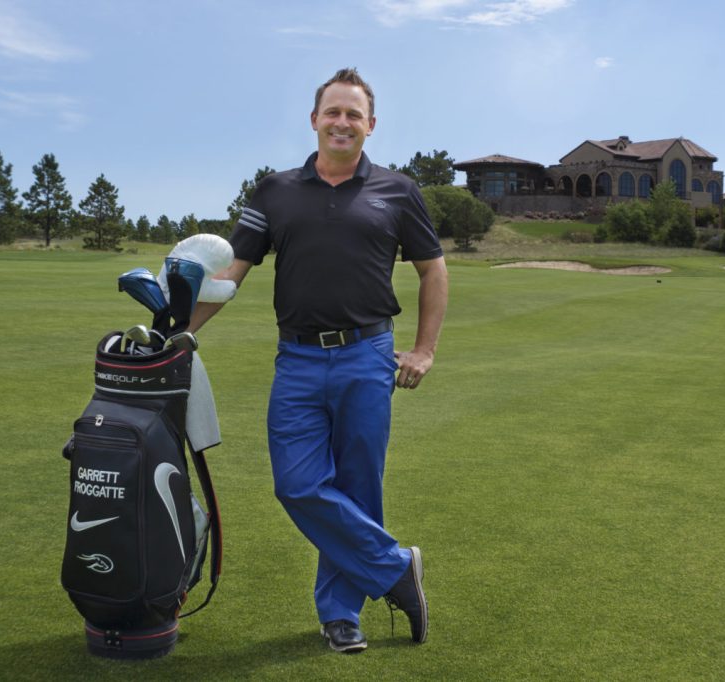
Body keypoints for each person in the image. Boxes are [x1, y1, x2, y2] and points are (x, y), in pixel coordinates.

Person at [189, 67, 448, 653]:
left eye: (354, 114)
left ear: (371, 125)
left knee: (359, 486)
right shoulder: (274, 192)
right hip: (299, 360)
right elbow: (232, 273)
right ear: (314, 120)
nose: (342, 122)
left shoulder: (399, 191)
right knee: (298, 485)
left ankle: (340, 615)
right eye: (333, 111)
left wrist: (425, 349)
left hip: (368, 355)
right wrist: (181, 333)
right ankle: (394, 568)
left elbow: (432, 268)